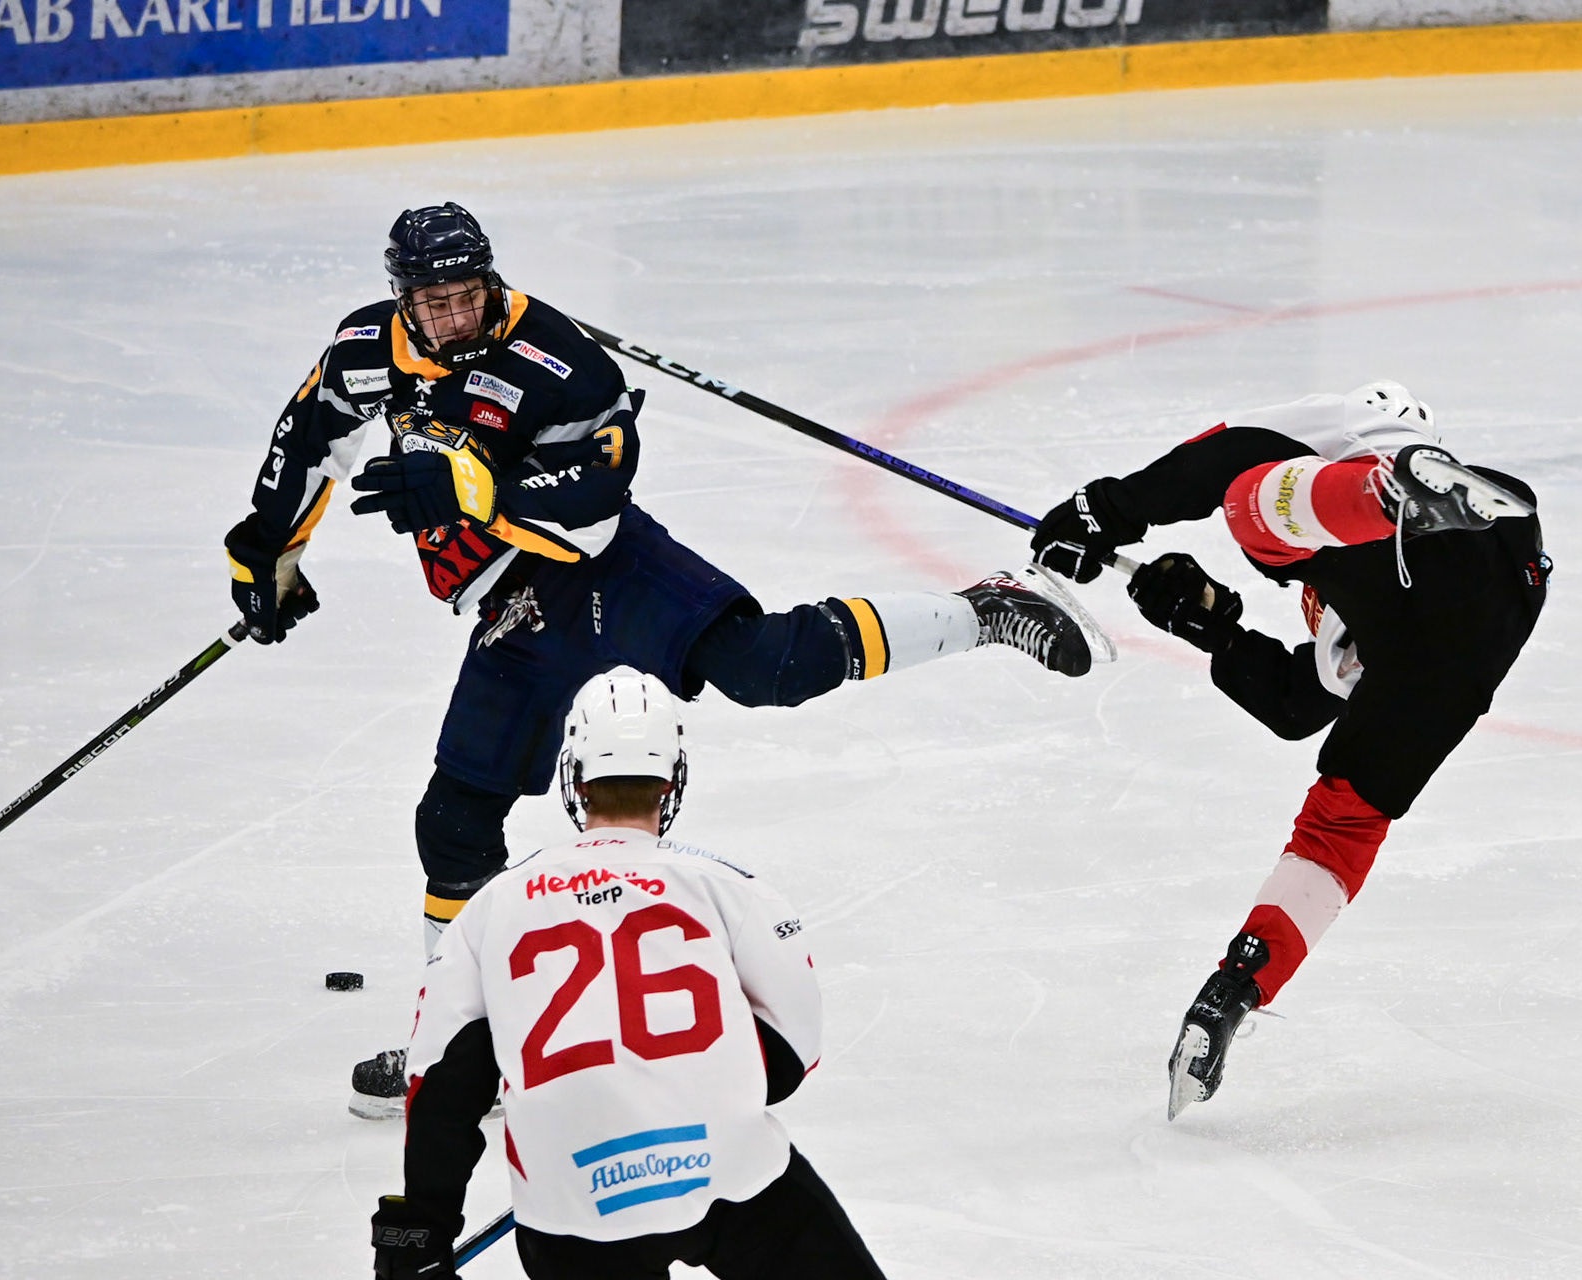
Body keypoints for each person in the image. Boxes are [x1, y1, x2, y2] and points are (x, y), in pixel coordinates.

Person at [222, 203, 1102, 1114]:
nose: (452, 316)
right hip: (510, 606)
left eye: (467, 296)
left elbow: (596, 501)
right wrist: (267, 551)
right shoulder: (365, 349)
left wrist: (475, 487)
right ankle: (459, 1048)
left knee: (768, 668)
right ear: (401, 297)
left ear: (490, 280)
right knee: (453, 822)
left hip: (605, 567)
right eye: (432, 302)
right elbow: (308, 435)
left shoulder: (561, 363)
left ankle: (985, 609)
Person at [1029, 381, 1551, 1119]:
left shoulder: (1360, 419)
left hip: (1418, 540)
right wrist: (1213, 629)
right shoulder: (1353, 603)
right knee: (1343, 820)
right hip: (1479, 613)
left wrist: (1106, 510)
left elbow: (1226, 455)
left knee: (1251, 506)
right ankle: (1236, 988)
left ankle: (1389, 496)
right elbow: (1298, 703)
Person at [370, 666, 887, 1280]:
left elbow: (443, 1080)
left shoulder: (489, 909)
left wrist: (422, 1225)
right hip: (730, 1172)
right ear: (671, 779)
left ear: (576, 778)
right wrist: (696, 1091)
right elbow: (791, 1049)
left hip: (572, 1207)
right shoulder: (729, 888)